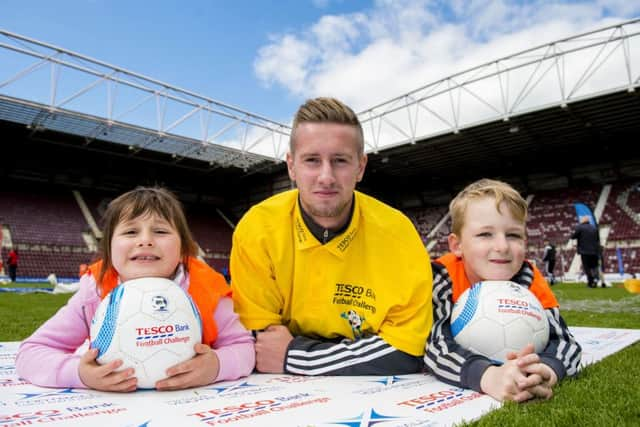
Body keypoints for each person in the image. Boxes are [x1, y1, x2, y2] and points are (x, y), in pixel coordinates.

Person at [230, 97, 433, 375]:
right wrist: (359, 353)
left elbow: (409, 349)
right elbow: (264, 346)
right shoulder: (258, 228)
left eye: (340, 161)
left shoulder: (398, 234)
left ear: (360, 167)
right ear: (291, 166)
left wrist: (299, 357)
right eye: (312, 160)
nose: (326, 177)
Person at [16, 186, 254, 391]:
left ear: (184, 248)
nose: (145, 240)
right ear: (109, 248)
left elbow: (245, 349)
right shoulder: (95, 291)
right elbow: (31, 353)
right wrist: (80, 374)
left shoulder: (208, 289)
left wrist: (216, 367)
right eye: (130, 232)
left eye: (160, 231)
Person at [424, 179, 581, 402]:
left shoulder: (528, 276)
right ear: (457, 245)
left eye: (513, 235)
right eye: (485, 234)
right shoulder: (442, 276)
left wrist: (547, 369)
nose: (502, 247)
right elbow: (434, 344)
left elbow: (565, 342)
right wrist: (487, 376)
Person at [571, 215, 600, 288]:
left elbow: (573, 236)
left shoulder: (580, 227)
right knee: (594, 266)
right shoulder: (594, 228)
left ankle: (591, 282)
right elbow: (597, 239)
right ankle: (596, 279)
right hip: (594, 251)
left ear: (583, 221)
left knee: (587, 267)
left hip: (585, 251)